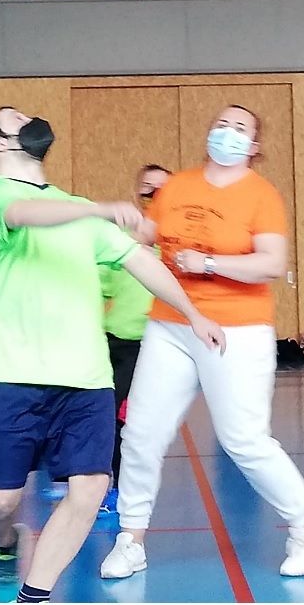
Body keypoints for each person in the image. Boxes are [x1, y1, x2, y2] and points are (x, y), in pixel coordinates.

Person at [0, 106, 225, 605]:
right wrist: (97, 210)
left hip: (85, 374)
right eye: (17, 119)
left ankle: (34, 596)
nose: (31, 120)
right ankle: (4, 542)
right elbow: (26, 214)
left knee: (90, 488)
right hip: (9, 368)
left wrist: (193, 313)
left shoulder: (77, 208)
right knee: (1, 501)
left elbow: (139, 259)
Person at [100, 104, 304, 581]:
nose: (227, 132)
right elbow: (146, 235)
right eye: (221, 124)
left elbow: (270, 264)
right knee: (141, 433)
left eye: (240, 127)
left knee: (243, 438)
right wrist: (115, 221)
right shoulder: (177, 186)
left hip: (237, 329)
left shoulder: (262, 196)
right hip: (170, 324)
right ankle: (131, 539)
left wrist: (209, 264)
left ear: (254, 146)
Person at [99, 163, 172, 516]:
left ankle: (131, 488)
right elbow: (99, 287)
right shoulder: (121, 239)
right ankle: (114, 488)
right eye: (147, 188)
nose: (154, 196)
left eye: (162, 190)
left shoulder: (179, 242)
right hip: (120, 343)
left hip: (164, 343)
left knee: (143, 424)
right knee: (112, 417)